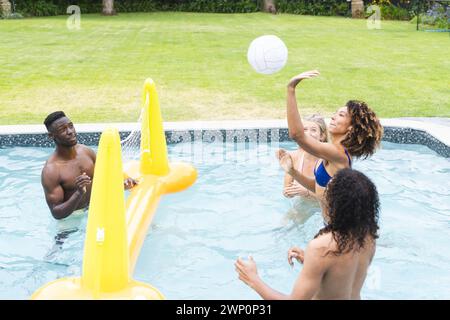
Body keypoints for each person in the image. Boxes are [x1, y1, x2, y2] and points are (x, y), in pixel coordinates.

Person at [235, 168, 380, 300]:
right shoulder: (368, 238)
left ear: (335, 204)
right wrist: (310, 261)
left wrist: (253, 279)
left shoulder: (321, 248)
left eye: (326, 194)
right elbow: (343, 280)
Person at [276, 70, 383, 207]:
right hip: (333, 223)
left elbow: (297, 135)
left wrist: (291, 89)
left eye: (341, 115)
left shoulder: (338, 153)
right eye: (336, 113)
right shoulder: (332, 151)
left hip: (341, 227)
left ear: (351, 127)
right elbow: (318, 187)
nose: (333, 117)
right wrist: (292, 171)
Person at [41, 111, 136, 220]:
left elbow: (105, 175)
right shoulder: (51, 170)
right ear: (51, 136)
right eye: (63, 130)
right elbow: (56, 213)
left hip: (97, 208)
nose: (70, 132)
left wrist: (123, 182)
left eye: (71, 126)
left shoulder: (86, 152)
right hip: (72, 219)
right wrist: (79, 192)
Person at [282, 115, 328, 200]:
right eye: (305, 130)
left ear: (322, 136)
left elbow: (333, 198)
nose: (308, 134)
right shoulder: (293, 157)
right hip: (301, 206)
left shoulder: (329, 161)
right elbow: (286, 191)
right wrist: (289, 193)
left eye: (313, 130)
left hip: (323, 208)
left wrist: (307, 193)